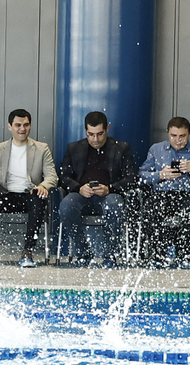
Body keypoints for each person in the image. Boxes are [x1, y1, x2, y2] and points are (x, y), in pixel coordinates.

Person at [56, 111, 139, 267]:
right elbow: (63, 177)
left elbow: (132, 178)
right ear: (85, 131)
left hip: (110, 195)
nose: (95, 139)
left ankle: (110, 254)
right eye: (91, 134)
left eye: (100, 134)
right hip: (81, 195)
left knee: (115, 204)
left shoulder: (121, 148)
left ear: (107, 129)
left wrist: (110, 189)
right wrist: (79, 188)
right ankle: (83, 252)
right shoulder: (74, 148)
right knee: (66, 205)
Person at [0, 109, 58, 268]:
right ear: (10, 126)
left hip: (30, 195)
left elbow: (52, 176)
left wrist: (43, 186)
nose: (22, 129)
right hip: (5, 194)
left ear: (30, 126)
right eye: (18, 125)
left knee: (39, 198)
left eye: (26, 125)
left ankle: (27, 251)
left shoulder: (41, 149)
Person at [138, 116, 190, 266]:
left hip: (189, 195)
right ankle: (157, 256)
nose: (178, 140)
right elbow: (141, 177)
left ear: (189, 134)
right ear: (167, 133)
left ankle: (184, 256)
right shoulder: (156, 149)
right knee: (152, 209)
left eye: (182, 136)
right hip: (162, 194)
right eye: (173, 136)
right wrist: (160, 175)